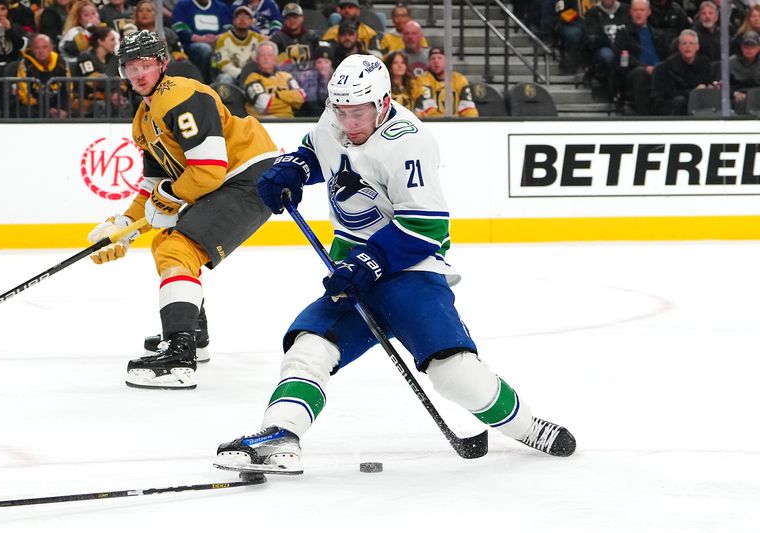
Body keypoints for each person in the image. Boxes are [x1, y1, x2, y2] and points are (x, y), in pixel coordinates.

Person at [214, 54, 576, 472]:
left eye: (359, 112)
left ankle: (528, 426)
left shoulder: (409, 142)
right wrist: (294, 168)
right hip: (353, 270)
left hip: (410, 271)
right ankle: (280, 435)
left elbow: (428, 227)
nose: (349, 122)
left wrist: (370, 262)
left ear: (384, 103)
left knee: (454, 373)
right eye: (341, 110)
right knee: (309, 347)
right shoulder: (334, 120)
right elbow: (317, 151)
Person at [87, 30, 278, 390]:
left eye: (145, 65)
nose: (138, 74)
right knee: (165, 244)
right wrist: (124, 224)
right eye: (130, 67)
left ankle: (179, 355)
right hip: (230, 181)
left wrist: (171, 196)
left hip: (251, 176)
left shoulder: (181, 96)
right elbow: (154, 186)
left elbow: (207, 169)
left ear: (162, 63)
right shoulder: (144, 119)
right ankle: (192, 335)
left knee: (177, 247)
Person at [612, 0, 670, 114]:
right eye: (635, 10)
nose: (638, 13)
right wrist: (645, 67)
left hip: (658, 71)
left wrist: (659, 68)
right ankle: (644, 116)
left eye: (642, 10)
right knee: (640, 72)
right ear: (630, 12)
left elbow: (667, 56)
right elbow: (624, 58)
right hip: (633, 73)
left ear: (648, 12)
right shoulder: (623, 34)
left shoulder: (659, 34)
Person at [650, 29, 714, 115]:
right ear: (679, 47)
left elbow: (707, 82)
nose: (688, 46)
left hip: (696, 103)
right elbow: (672, 93)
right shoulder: (668, 66)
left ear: (697, 47)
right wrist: (693, 92)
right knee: (680, 101)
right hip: (672, 104)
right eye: (684, 43)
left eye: (691, 43)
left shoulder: (704, 63)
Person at [75, 25, 131, 117]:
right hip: (87, 98)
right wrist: (114, 84)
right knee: (101, 106)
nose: (115, 43)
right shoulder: (85, 57)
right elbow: (91, 80)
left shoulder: (114, 59)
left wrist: (117, 92)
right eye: (112, 40)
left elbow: (122, 81)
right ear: (100, 41)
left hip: (112, 96)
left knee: (125, 103)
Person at [171, 0, 233, 83]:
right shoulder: (183, 5)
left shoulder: (222, 7)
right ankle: (205, 82)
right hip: (192, 46)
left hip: (219, 44)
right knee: (205, 49)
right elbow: (179, 28)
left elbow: (229, 29)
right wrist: (202, 39)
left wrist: (217, 38)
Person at [242, 40, 305, 117]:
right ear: (257, 59)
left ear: (275, 59)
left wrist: (277, 95)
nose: (266, 58)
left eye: (269, 55)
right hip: (264, 120)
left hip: (289, 120)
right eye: (262, 55)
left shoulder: (287, 76)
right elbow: (263, 105)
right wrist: (290, 106)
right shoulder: (252, 78)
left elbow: (300, 97)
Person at [16, 33, 70, 118]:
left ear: (52, 48)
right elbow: (24, 95)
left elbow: (67, 91)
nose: (41, 51)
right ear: (32, 49)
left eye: (45, 47)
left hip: (57, 106)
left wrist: (62, 109)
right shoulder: (26, 65)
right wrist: (46, 110)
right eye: (37, 48)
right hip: (34, 107)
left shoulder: (62, 64)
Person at [415, 46, 478, 118]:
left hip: (455, 123)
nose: (436, 61)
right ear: (429, 62)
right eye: (432, 59)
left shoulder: (459, 79)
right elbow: (428, 108)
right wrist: (444, 123)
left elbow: (468, 107)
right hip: (432, 124)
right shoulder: (423, 79)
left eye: (439, 58)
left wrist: (471, 122)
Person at [212, 5, 264, 84]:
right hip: (232, 75)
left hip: (254, 75)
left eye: (246, 17)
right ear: (233, 21)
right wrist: (241, 74)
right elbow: (222, 64)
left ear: (251, 21)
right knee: (225, 79)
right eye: (239, 16)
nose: (242, 19)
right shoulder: (223, 39)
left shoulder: (259, 39)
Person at [583, 0, 629, 90]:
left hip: (626, 48)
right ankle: (612, 87)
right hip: (604, 48)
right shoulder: (592, 13)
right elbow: (592, 37)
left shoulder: (626, 10)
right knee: (608, 55)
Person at [270, 2, 322, 68]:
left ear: (302, 18)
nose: (292, 20)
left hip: (311, 72)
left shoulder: (313, 37)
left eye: (295, 17)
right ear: (283, 20)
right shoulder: (277, 39)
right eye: (288, 18)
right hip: (285, 74)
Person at [58, 0, 103, 65]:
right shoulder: (73, 32)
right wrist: (90, 29)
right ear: (78, 18)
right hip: (73, 67)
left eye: (93, 13)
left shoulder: (100, 30)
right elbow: (80, 46)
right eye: (86, 15)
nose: (92, 17)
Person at [729, 30, 760, 113]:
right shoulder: (732, 62)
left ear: (758, 48)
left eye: (752, 46)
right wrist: (734, 93)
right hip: (739, 97)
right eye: (746, 46)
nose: (749, 49)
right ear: (741, 47)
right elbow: (723, 85)